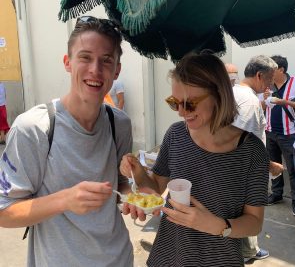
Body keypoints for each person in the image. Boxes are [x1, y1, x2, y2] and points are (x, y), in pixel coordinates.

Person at [0, 16, 134, 267]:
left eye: (106, 60)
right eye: (85, 57)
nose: (95, 69)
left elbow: (121, 185)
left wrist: (136, 195)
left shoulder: (120, 124)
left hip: (119, 258)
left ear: (116, 69)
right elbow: (4, 212)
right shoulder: (34, 128)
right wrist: (64, 200)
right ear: (67, 63)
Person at [121, 51, 269, 267]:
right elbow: (155, 186)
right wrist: (138, 170)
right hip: (169, 256)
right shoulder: (176, 135)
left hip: (220, 260)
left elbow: (254, 223)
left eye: (190, 104)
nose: (181, 112)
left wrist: (218, 225)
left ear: (219, 94)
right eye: (174, 102)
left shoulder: (252, 151)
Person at [230, 55, 280, 263]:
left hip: (234, 169)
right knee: (248, 213)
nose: (271, 85)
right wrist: (268, 165)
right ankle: (248, 253)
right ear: (259, 76)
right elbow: (243, 145)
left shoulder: (233, 92)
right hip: (245, 172)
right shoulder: (249, 101)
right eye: (269, 79)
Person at [264, 55, 295, 216]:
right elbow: (262, 106)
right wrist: (263, 100)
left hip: (289, 134)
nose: (269, 72)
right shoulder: (267, 85)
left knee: (292, 170)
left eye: (272, 68)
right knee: (274, 166)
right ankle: (276, 194)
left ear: (281, 69)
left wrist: (285, 102)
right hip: (270, 131)